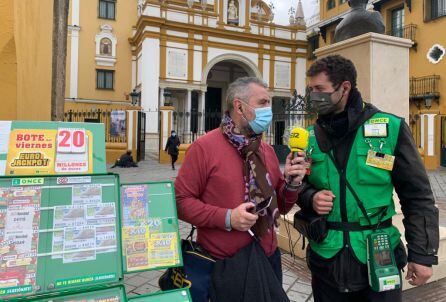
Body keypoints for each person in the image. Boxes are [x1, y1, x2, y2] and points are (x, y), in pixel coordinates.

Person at [299, 55, 439, 302]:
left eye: (319, 89)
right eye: (310, 90)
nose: (313, 96)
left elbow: (417, 196)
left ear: (344, 87)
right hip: (326, 259)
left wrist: (422, 255)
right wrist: (310, 196)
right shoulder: (309, 136)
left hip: (378, 256)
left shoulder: (390, 128)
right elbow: (299, 185)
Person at [175, 77, 308, 301]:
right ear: (239, 107)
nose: (269, 109)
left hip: (268, 258)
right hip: (226, 263)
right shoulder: (204, 148)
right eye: (263, 102)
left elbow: (281, 208)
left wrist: (293, 184)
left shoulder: (266, 151)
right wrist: (228, 217)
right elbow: (180, 202)